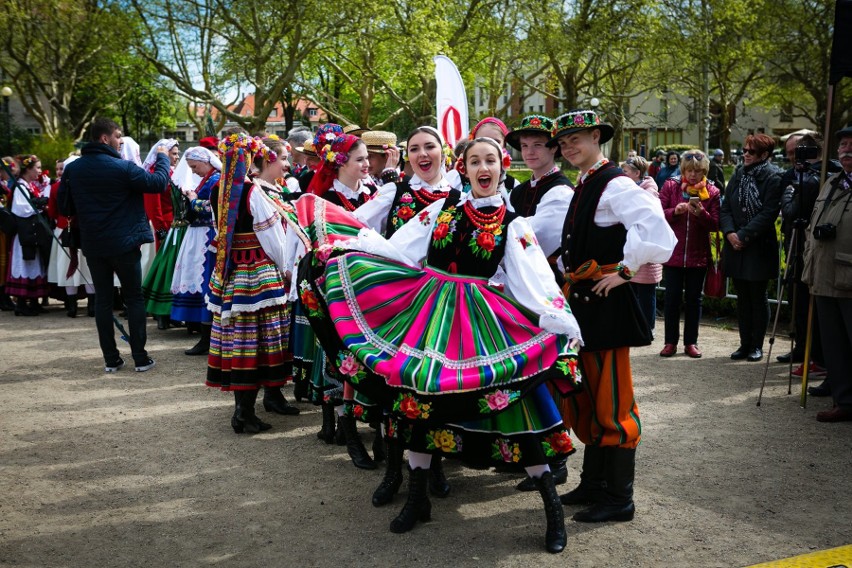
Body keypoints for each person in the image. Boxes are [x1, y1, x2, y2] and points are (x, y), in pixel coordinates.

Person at [307, 136, 583, 553]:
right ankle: (418, 498)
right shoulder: (440, 210)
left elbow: (535, 283)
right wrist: (349, 246)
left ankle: (551, 510)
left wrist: (561, 324)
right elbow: (397, 250)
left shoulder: (514, 223)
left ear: (502, 167)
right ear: (465, 168)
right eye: (475, 161)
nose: (483, 167)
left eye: (490, 160)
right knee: (418, 403)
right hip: (428, 316)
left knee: (516, 409)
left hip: (480, 321)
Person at [548, 109, 676, 524]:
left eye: (577, 140)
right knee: (588, 394)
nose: (569, 148)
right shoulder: (587, 182)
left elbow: (656, 230)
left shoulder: (616, 182)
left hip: (604, 306)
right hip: (584, 305)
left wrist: (625, 271)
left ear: (596, 138)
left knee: (613, 400)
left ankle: (620, 498)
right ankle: (595, 483)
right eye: (564, 143)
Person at [58, 117, 170, 372]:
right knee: (133, 298)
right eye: (118, 136)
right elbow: (158, 183)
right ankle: (140, 358)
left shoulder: (73, 169)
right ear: (105, 138)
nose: (120, 141)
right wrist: (162, 157)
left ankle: (111, 360)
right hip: (124, 243)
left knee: (103, 300)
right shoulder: (122, 168)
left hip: (95, 245)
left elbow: (65, 207)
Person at [206, 133, 296, 433]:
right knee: (261, 340)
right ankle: (244, 413)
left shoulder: (218, 188)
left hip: (232, 273)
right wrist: (286, 268)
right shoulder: (250, 191)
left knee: (240, 341)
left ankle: (247, 408)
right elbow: (272, 238)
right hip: (258, 272)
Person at [800, 125, 852, 422]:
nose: (846, 149)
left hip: (849, 276)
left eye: (851, 144)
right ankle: (844, 400)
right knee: (834, 344)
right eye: (843, 144)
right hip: (823, 275)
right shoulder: (832, 182)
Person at [776, 132, 835, 381]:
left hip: (814, 247)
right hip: (795, 243)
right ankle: (802, 349)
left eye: (796, 152)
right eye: (789, 153)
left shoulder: (825, 176)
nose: (793, 158)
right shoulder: (791, 176)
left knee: (812, 305)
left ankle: (819, 358)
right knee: (797, 301)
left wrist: (791, 194)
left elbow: (791, 210)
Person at [719, 134, 783, 362]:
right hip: (735, 245)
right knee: (742, 297)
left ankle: (757, 345)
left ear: (764, 155)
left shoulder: (773, 177)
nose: (745, 154)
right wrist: (730, 234)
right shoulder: (738, 174)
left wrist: (743, 236)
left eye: (751, 151)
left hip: (758, 246)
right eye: (744, 150)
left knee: (757, 296)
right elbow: (725, 208)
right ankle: (744, 344)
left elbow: (768, 213)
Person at [658, 150, 721, 358]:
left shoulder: (712, 191)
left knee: (694, 300)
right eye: (689, 170)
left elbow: (715, 223)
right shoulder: (670, 185)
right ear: (683, 170)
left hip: (698, 255)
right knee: (671, 299)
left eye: (698, 171)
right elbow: (658, 214)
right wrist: (675, 211)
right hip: (673, 253)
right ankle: (670, 342)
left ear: (704, 171)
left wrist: (700, 213)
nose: (693, 175)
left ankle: (691, 342)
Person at [170, 146, 221, 355]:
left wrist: (193, 200)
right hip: (198, 236)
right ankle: (204, 335)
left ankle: (207, 337)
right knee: (200, 283)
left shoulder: (215, 179)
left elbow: (214, 208)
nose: (193, 171)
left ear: (205, 161)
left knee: (206, 283)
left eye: (195, 166)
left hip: (207, 236)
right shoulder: (208, 179)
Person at [46, 155, 95, 318]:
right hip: (86, 229)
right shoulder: (88, 185)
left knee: (68, 267)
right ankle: (92, 306)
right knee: (89, 268)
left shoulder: (57, 187)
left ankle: (72, 307)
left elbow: (52, 212)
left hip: (64, 229)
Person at [619, 156, 662, 339]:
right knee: (632, 290)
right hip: (631, 249)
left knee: (646, 293)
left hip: (645, 249)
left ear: (637, 173)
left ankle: (647, 328)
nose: (622, 174)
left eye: (626, 171)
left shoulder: (648, 191)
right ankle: (635, 326)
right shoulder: (627, 189)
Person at [6, 154, 50, 316]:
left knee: (35, 264)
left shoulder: (30, 186)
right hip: (24, 235)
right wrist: (38, 205)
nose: (39, 171)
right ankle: (22, 303)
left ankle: (33, 301)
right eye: (37, 168)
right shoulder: (21, 187)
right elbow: (21, 210)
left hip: (33, 233)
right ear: (28, 169)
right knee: (25, 264)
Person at [469, 117, 518, 191]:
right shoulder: (458, 182)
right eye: (482, 141)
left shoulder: (514, 187)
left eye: (496, 142)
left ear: (504, 145)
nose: (489, 147)